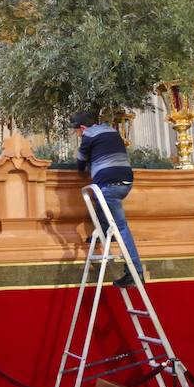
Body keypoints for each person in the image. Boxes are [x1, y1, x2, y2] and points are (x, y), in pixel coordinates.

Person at [71, 110, 144, 287]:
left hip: (109, 185)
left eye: (76, 131)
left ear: (82, 127)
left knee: (121, 228)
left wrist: (87, 161)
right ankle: (103, 233)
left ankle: (135, 272)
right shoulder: (111, 130)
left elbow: (80, 163)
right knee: (101, 206)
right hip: (125, 182)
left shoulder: (88, 135)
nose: (77, 134)